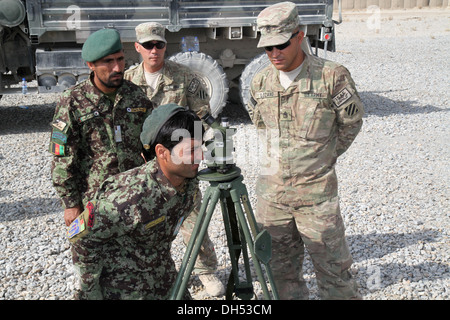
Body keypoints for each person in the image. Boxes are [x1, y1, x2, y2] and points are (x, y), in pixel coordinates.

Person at [247, 2, 363, 300]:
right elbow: (259, 122)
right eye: (267, 48)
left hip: (316, 198)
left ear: (300, 36)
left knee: (334, 274)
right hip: (273, 199)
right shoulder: (260, 82)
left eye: (281, 45)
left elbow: (350, 122)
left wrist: (321, 157)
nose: (274, 54)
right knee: (281, 274)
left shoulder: (331, 77)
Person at [124, 22, 224, 297]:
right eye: (148, 45)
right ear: (138, 47)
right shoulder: (127, 81)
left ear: (166, 46)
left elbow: (203, 118)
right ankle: (146, 272)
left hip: (179, 168)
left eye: (159, 45)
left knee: (193, 219)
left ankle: (205, 270)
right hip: (143, 169)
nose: (153, 50)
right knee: (143, 222)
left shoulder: (186, 78)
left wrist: (187, 152)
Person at [68, 104, 204, 299]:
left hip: (162, 274)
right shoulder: (126, 198)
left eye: (200, 148)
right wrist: (91, 294)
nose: (200, 156)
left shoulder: (189, 182)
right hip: (122, 287)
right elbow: (82, 240)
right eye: (191, 150)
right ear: (162, 152)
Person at [50, 28, 153, 227]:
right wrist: (70, 203)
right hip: (94, 202)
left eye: (121, 59)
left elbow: (151, 145)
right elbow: (62, 156)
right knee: (91, 256)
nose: (117, 68)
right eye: (108, 62)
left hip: (134, 197)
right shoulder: (72, 101)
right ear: (91, 65)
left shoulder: (136, 95)